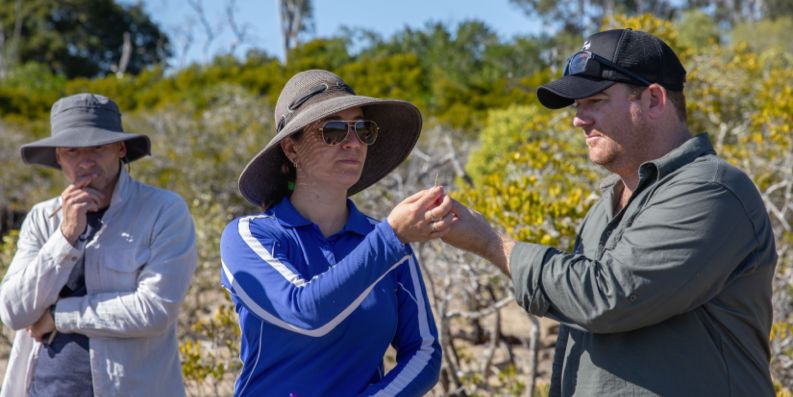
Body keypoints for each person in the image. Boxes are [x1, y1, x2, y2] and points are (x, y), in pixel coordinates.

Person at [441, 29, 778, 396]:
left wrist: (493, 245)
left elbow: (608, 297)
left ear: (653, 99)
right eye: (577, 106)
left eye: (596, 101)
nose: (578, 120)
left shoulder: (712, 190)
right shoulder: (609, 204)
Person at [220, 69, 452, 396]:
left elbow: (425, 350)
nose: (353, 142)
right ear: (291, 149)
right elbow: (305, 313)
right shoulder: (248, 236)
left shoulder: (389, 242)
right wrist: (390, 237)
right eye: (333, 130)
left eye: (362, 129)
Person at [0, 93, 198, 397]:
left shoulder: (163, 210)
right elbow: (13, 311)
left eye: (97, 146)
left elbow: (154, 309)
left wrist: (59, 316)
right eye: (72, 150)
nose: (85, 160)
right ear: (58, 157)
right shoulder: (42, 218)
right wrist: (65, 237)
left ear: (120, 149)